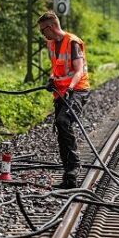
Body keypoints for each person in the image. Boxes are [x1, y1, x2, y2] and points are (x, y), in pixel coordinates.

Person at [39, 11, 90, 189]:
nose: (42, 34)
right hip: (61, 92)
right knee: (61, 129)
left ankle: (73, 168)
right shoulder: (51, 44)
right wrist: (52, 78)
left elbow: (78, 71)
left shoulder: (73, 42)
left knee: (63, 121)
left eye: (42, 30)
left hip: (77, 90)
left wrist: (69, 88)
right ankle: (69, 174)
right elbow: (57, 68)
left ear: (51, 27)